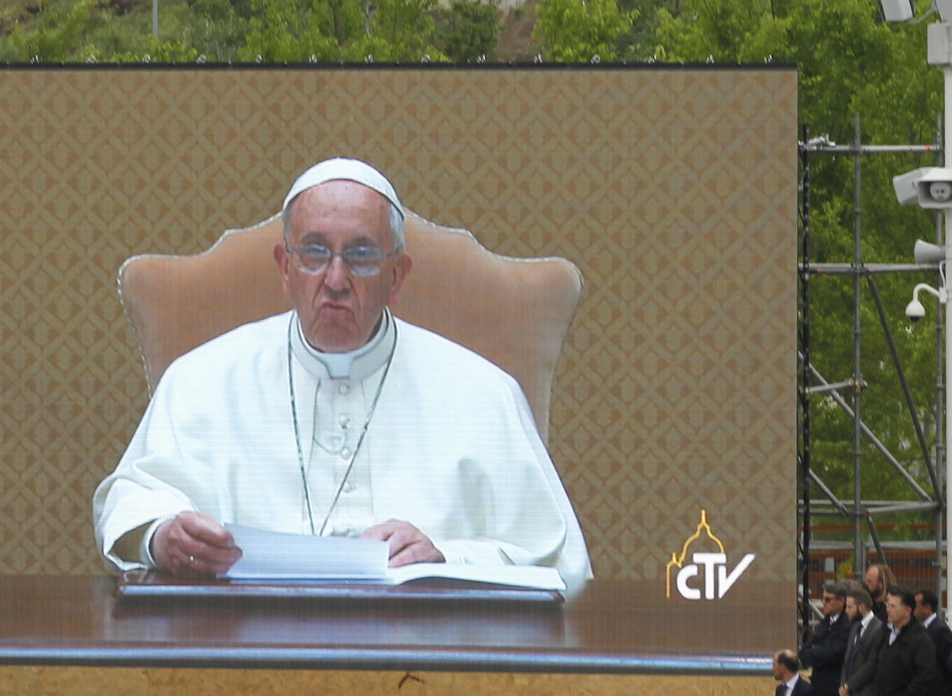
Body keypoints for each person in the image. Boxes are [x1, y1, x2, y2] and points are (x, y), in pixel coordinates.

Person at [92, 158, 591, 584]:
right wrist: (162, 537)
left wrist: (446, 557)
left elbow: (558, 563)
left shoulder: (484, 393)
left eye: (361, 255)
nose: (335, 279)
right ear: (284, 269)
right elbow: (130, 503)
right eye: (313, 252)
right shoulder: (201, 380)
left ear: (398, 277)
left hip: (426, 663)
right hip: (244, 654)